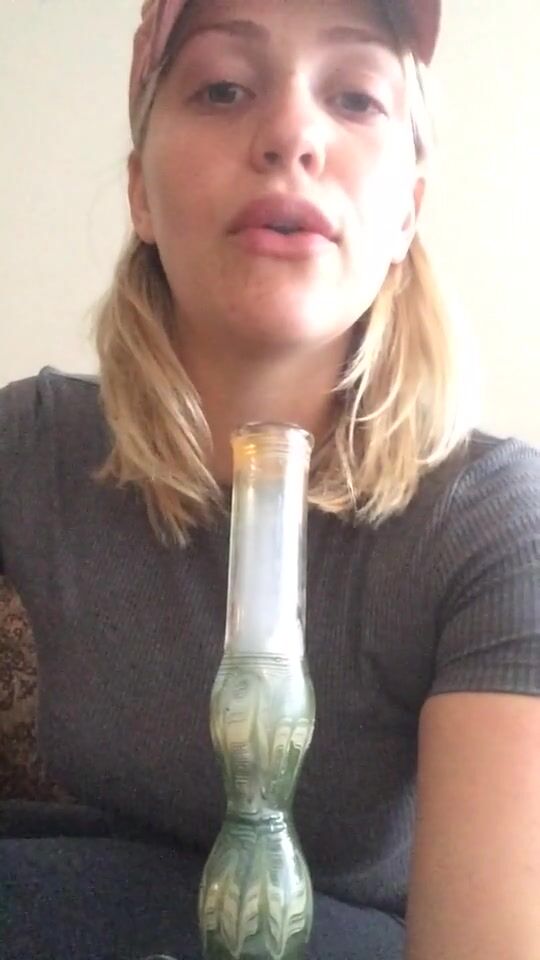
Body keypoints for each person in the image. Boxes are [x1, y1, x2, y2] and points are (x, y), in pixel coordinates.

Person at [1, 0, 539, 957]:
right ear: (139, 193)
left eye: (356, 97)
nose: (292, 134)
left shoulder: (499, 528)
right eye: (221, 88)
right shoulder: (31, 447)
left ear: (409, 210)